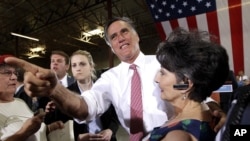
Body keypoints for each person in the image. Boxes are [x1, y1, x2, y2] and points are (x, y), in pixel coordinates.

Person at [4, 17, 226, 140]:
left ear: (136, 35)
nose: (120, 38)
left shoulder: (164, 62)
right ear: (110, 47)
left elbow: (196, 90)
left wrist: (217, 110)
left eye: (124, 31)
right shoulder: (109, 78)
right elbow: (84, 106)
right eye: (113, 37)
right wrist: (55, 88)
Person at [143, 28, 229, 141]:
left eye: (163, 73)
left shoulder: (177, 136)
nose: (156, 79)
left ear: (185, 83)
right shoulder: (208, 113)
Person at [45, 50, 119, 141]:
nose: (78, 68)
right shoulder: (67, 94)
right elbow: (61, 126)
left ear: (91, 66)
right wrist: (77, 137)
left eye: (82, 64)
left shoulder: (103, 88)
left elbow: (116, 113)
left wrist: (110, 130)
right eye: (74, 65)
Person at [0, 55, 63, 141]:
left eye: (15, 73)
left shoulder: (20, 102)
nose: (14, 77)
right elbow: (26, 130)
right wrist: (24, 132)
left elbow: (34, 131)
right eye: (7, 73)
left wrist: (49, 128)